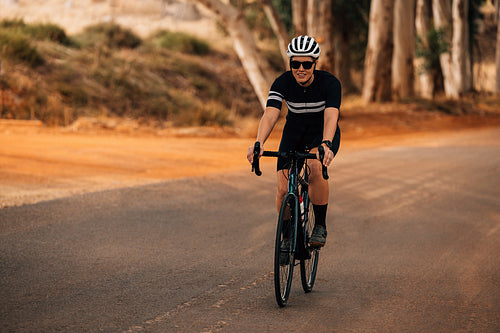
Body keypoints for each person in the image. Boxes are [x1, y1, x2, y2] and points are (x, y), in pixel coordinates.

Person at [247, 35, 341, 248]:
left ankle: (320, 226)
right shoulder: (282, 82)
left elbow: (331, 116)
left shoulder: (330, 83)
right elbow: (271, 114)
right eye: (295, 64)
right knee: (282, 188)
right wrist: (259, 142)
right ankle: (288, 237)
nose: (300, 69)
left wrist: (326, 143)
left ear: (315, 64)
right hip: (294, 132)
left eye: (306, 64)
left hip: (321, 132)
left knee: (315, 168)